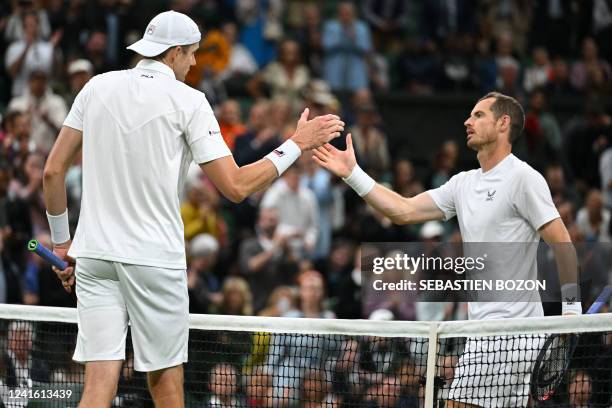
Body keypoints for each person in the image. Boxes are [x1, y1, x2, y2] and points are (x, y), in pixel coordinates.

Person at [42, 10, 344, 407]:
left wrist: (63, 245)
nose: (195, 63)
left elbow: (52, 171)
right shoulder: (190, 101)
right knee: (166, 386)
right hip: (153, 260)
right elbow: (236, 187)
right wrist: (297, 144)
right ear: (174, 53)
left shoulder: (96, 87)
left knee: (98, 388)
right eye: (193, 54)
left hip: (94, 256)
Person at [314, 92, 581, 407]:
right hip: (486, 334)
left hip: (508, 332)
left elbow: (563, 244)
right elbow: (403, 210)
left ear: (503, 123)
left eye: (479, 115)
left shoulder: (523, 178)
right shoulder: (463, 184)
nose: (467, 121)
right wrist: (351, 173)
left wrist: (571, 312)